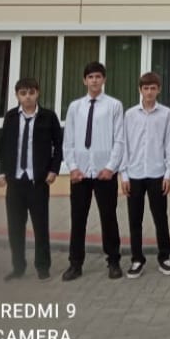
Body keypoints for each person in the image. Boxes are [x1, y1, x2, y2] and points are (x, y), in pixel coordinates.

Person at [62, 61, 126, 281]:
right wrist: (72, 168)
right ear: (84, 80)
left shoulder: (114, 106)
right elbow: (68, 141)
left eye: (98, 76)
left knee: (108, 218)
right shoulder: (75, 107)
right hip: (80, 173)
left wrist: (111, 167)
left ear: (104, 79)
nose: (94, 80)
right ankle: (75, 264)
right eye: (90, 77)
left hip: (104, 173)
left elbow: (119, 140)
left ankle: (114, 261)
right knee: (78, 219)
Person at [0, 76, 62, 282]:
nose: (27, 97)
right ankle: (18, 267)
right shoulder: (11, 117)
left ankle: (42, 266)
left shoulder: (48, 117)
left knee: (40, 226)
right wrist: (1, 171)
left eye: (31, 93)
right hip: (15, 181)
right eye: (23, 93)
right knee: (15, 227)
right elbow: (3, 145)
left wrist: (54, 169)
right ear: (17, 95)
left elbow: (59, 146)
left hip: (37, 182)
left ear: (37, 93)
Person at [121, 72, 170, 278]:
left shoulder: (166, 114)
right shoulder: (130, 115)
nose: (149, 92)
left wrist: (169, 173)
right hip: (134, 173)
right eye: (146, 88)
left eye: (153, 88)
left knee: (161, 218)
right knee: (135, 219)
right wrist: (124, 175)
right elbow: (124, 144)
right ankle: (137, 259)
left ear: (158, 90)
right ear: (140, 90)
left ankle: (165, 257)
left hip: (157, 173)